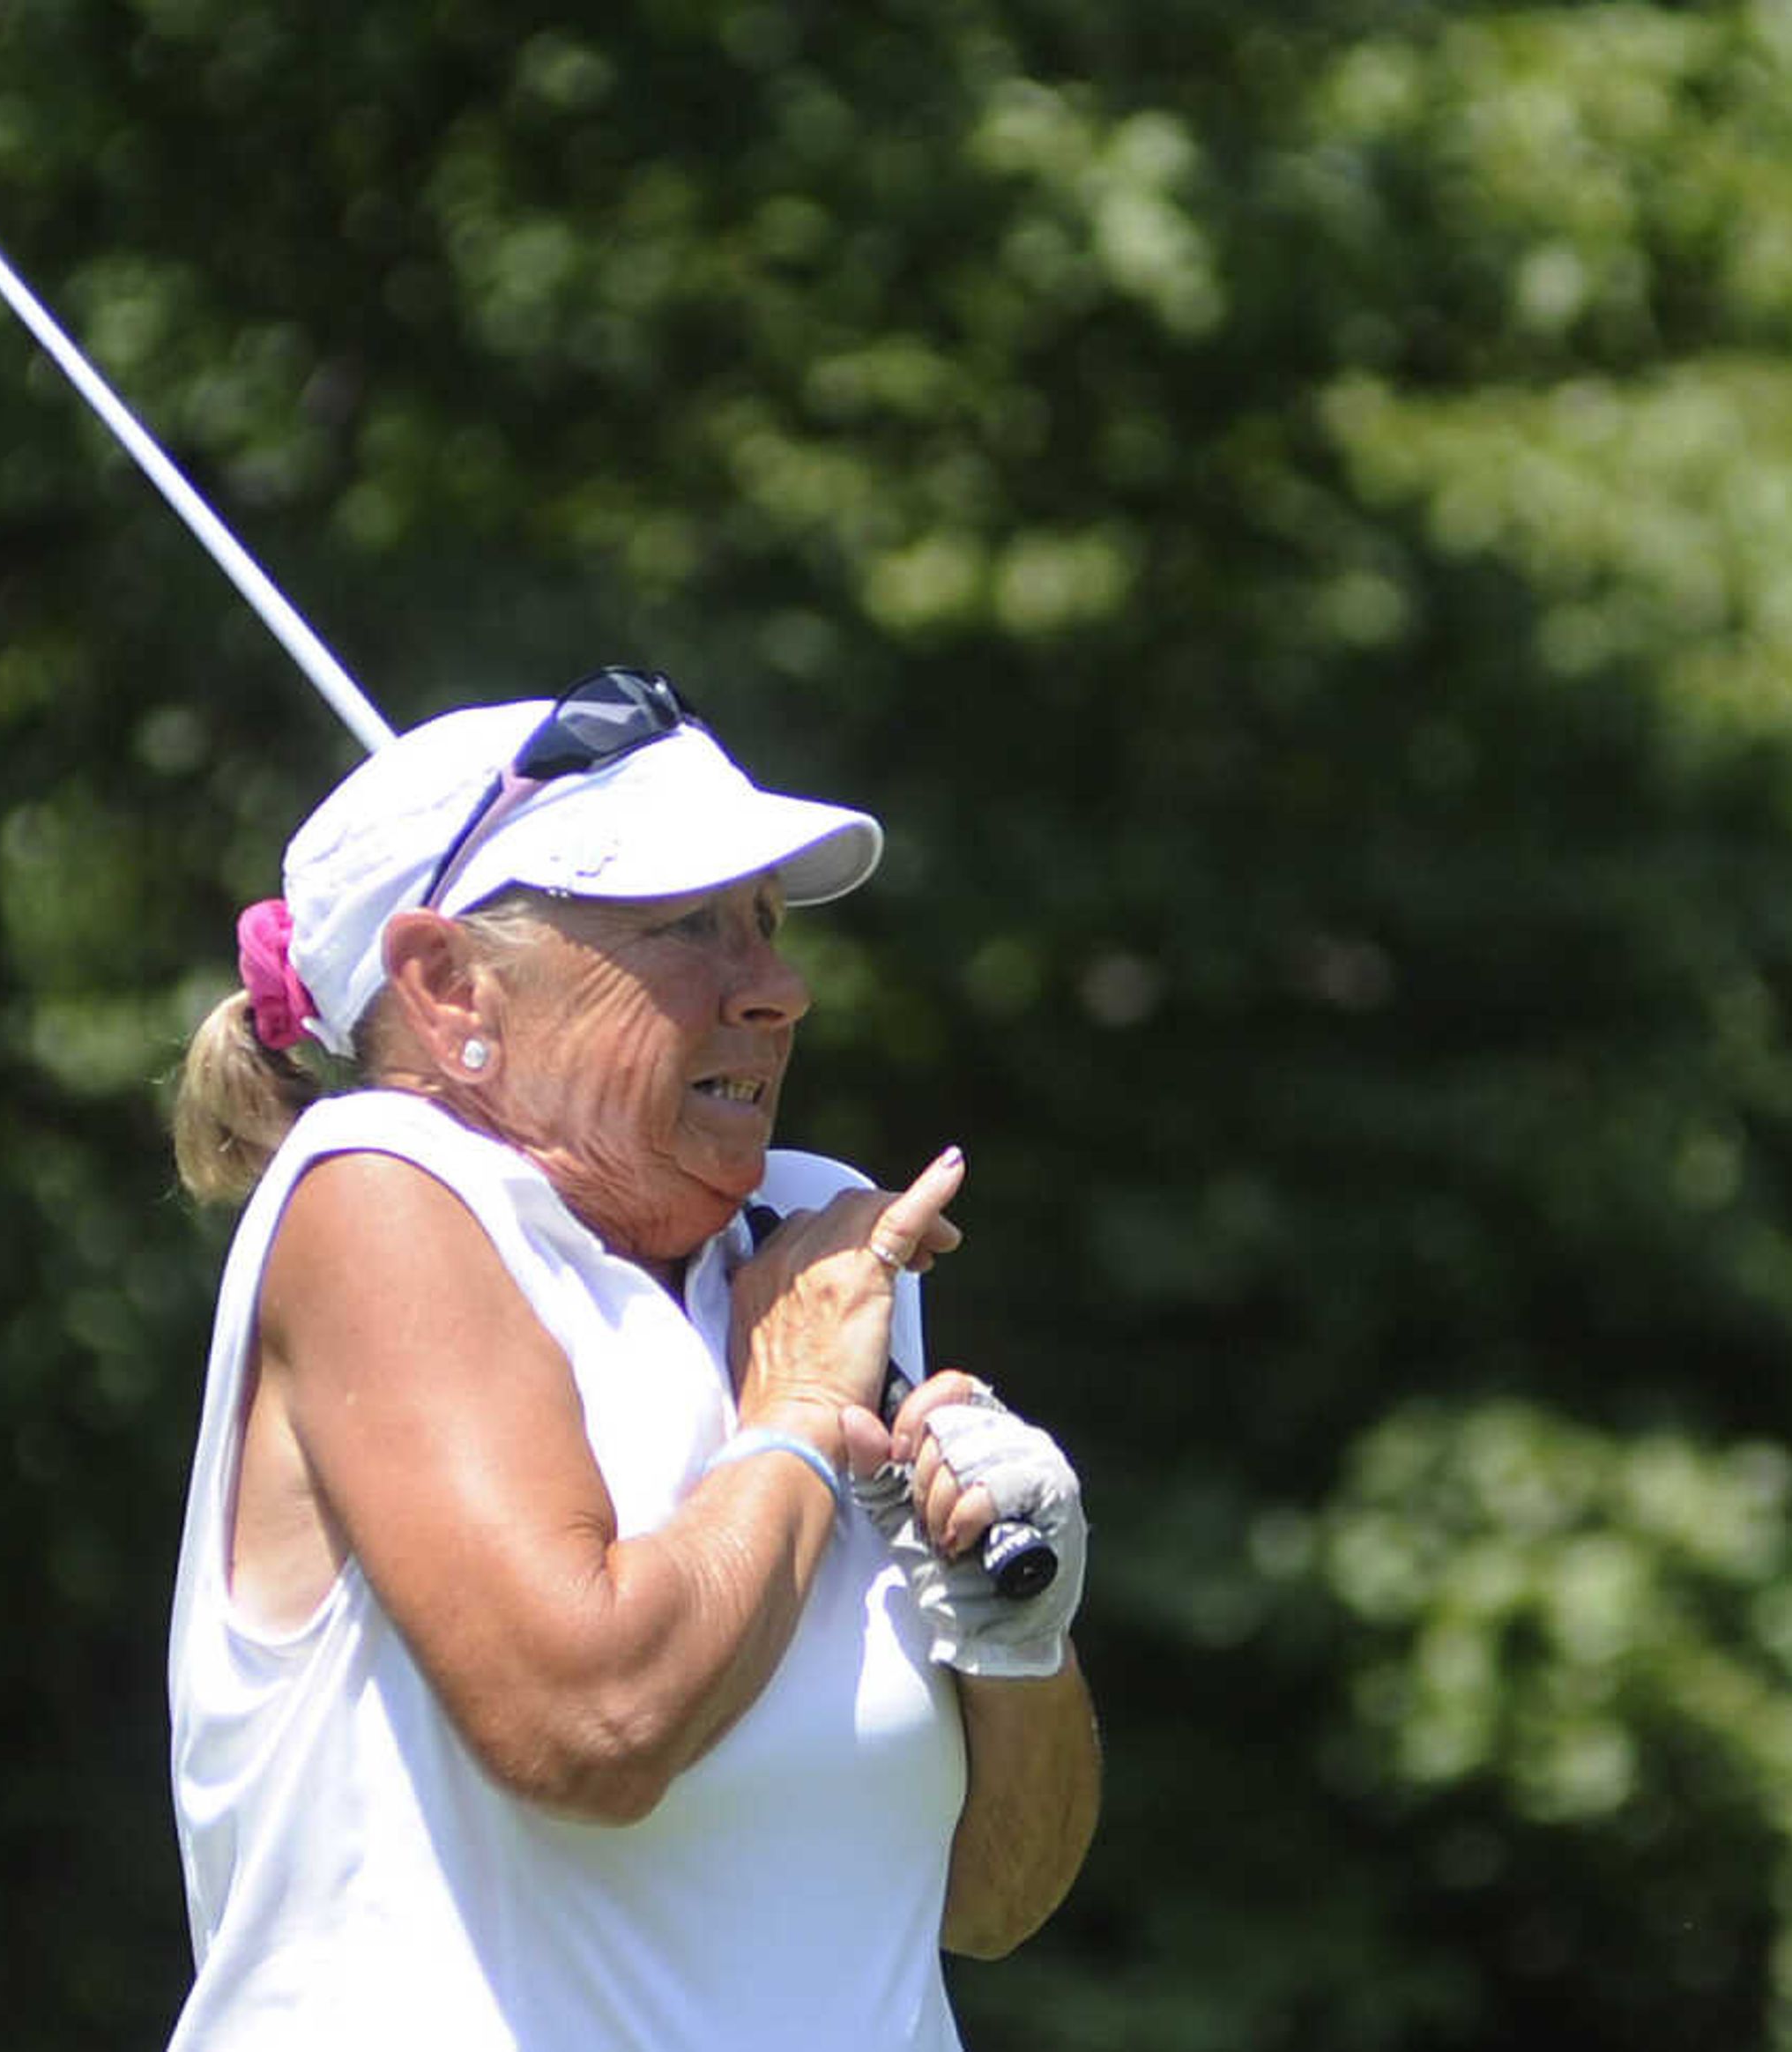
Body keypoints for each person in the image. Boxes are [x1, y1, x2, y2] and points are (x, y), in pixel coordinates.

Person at [159, 667, 1098, 2048]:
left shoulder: (817, 1253)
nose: (778, 989)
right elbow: (591, 1724)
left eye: (767, 925)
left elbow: (993, 1900)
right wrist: (788, 1422)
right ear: (447, 986)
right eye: (689, 927)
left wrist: (1017, 1638)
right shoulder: (381, 1194)